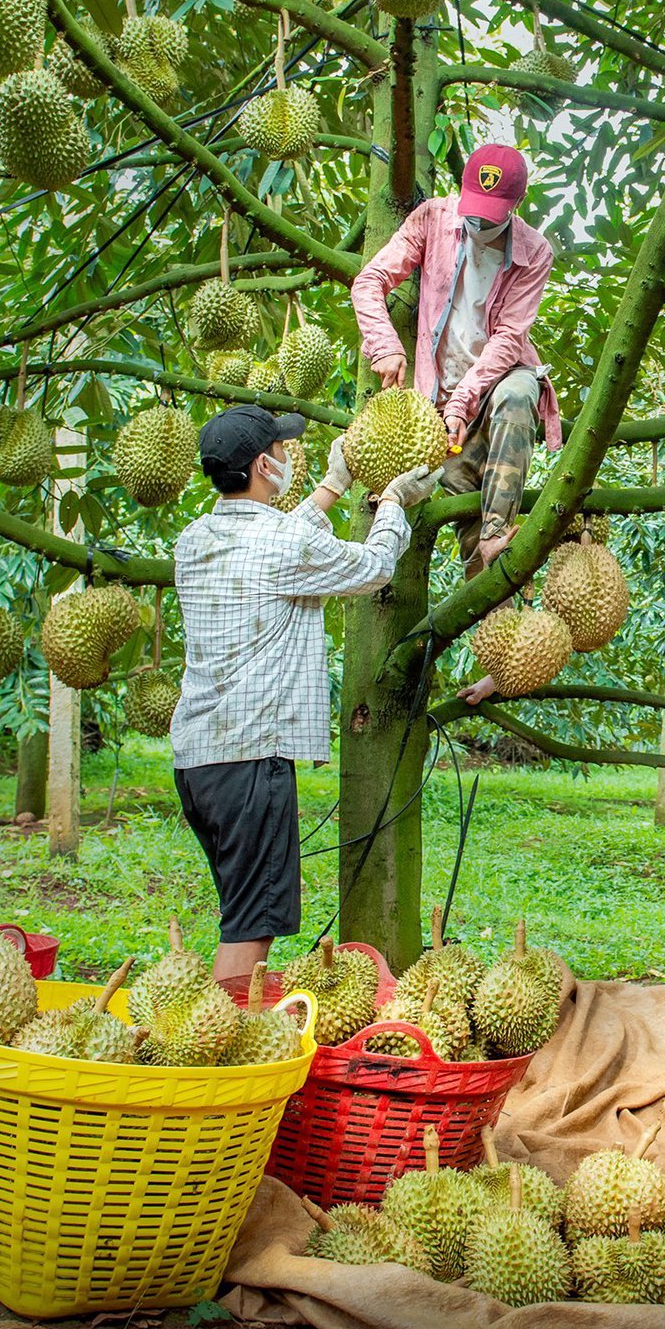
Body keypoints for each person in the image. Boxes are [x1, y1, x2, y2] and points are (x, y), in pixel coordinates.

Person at [170, 405, 441, 983]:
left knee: (240, 908)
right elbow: (371, 568)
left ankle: (229, 1038)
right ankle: (221, 1055)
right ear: (265, 465)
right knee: (249, 924)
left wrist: (331, 486)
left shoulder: (193, 540)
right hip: (249, 762)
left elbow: (280, 546)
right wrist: (392, 502)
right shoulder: (282, 546)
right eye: (285, 450)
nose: (292, 456)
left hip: (198, 761)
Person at [349, 142, 563, 581]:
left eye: (492, 211)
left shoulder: (534, 252)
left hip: (496, 381)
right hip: (437, 399)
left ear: (516, 205)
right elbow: (369, 281)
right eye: (475, 206)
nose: (480, 219)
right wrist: (385, 344)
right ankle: (488, 583)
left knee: (519, 395)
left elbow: (509, 338)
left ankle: (498, 529)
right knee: (471, 524)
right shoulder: (433, 218)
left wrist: (463, 401)